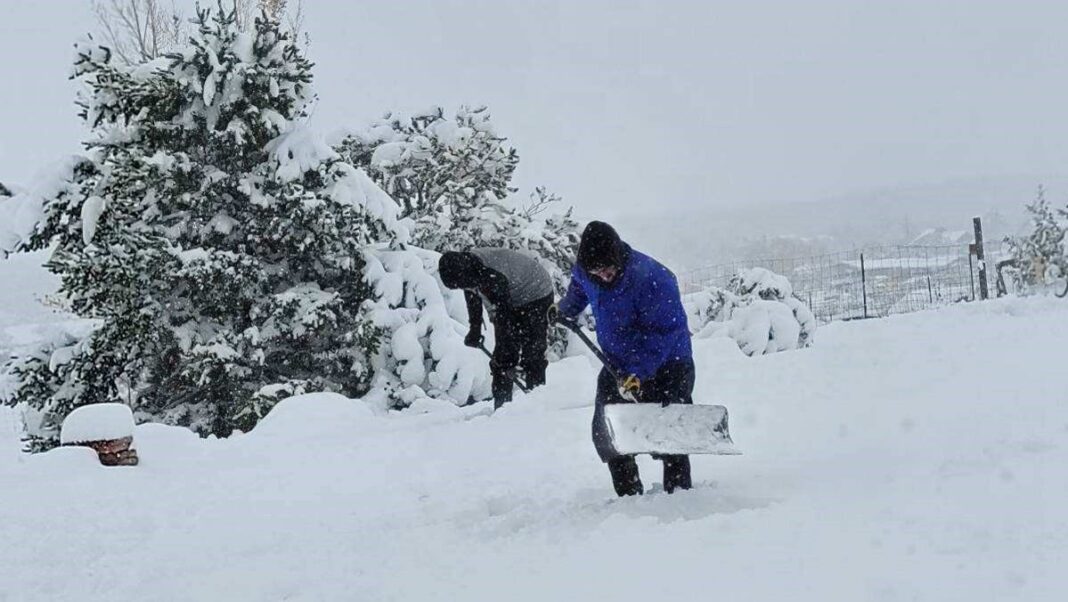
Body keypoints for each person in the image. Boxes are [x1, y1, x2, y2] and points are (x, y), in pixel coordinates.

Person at [553, 221, 694, 496]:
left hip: (669, 364)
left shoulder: (654, 279)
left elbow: (664, 334)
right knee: (607, 430)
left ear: (618, 257)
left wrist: (638, 372)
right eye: (596, 272)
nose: (603, 277)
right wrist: (565, 310)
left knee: (669, 432)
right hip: (618, 363)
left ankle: (681, 500)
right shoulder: (588, 272)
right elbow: (580, 288)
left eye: (608, 270)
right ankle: (629, 496)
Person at [438, 248, 555, 409]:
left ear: (466, 275)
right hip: (514, 293)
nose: (463, 288)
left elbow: (504, 318)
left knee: (531, 351)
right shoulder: (467, 270)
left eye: (462, 285)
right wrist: (475, 328)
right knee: (504, 358)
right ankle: (501, 407)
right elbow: (473, 296)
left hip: (537, 292)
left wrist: (503, 353)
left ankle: (537, 402)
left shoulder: (490, 275)